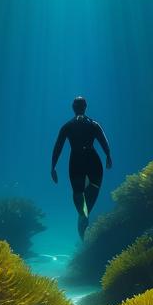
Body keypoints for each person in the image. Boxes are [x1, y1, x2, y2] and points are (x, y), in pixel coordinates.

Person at [51, 96, 112, 239]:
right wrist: (108, 156)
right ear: (86, 107)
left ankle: (82, 215)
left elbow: (57, 147)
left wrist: (53, 167)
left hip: (76, 161)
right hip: (92, 159)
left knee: (78, 192)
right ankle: (85, 214)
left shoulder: (67, 126)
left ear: (73, 108)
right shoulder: (93, 124)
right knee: (94, 187)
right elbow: (104, 141)